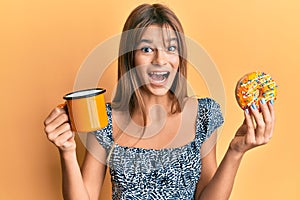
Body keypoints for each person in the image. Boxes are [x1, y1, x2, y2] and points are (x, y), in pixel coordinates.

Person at [43, 3, 275, 200]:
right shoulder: (104, 121)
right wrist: (67, 152)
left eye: (171, 48)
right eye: (146, 49)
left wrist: (236, 151)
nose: (160, 59)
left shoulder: (203, 114)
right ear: (130, 57)